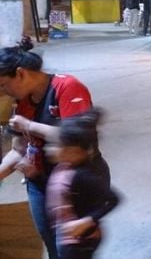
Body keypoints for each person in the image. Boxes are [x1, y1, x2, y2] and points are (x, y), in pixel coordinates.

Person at [0, 42, 95, 258]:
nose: (2, 92)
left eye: (3, 85)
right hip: (40, 182)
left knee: (73, 248)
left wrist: (30, 126)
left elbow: (80, 138)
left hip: (75, 184)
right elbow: (19, 150)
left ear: (21, 73)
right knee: (52, 244)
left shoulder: (67, 87)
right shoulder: (22, 101)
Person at [46, 109, 118, 259]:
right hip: (66, 235)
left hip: (80, 241)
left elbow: (113, 199)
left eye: (56, 145)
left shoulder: (84, 176)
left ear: (75, 152)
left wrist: (86, 221)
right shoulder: (64, 167)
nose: (49, 148)